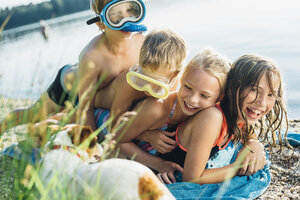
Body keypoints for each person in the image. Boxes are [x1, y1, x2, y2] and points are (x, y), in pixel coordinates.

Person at [113, 50, 267, 181]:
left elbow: (244, 126)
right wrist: (156, 156)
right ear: (181, 79)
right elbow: (117, 139)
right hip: (116, 127)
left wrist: (254, 142)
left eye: (204, 96)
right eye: (187, 87)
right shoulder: (158, 108)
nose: (193, 99)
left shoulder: (212, 111)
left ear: (219, 99)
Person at [0, 0, 147, 134]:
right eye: (115, 15)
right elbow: (86, 109)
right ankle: (3, 126)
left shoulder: (142, 42)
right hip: (69, 87)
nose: (127, 19)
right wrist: (92, 145)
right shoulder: (93, 56)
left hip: (98, 94)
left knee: (66, 118)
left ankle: (45, 128)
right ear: (101, 23)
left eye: (131, 10)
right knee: (34, 114)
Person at [155, 54, 287, 184]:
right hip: (158, 167)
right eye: (254, 90)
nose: (262, 103)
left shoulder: (240, 115)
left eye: (271, 94)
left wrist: (254, 143)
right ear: (233, 88)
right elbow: (191, 178)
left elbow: (248, 129)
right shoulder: (212, 117)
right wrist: (237, 167)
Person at [92, 29, 187, 140]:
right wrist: (147, 136)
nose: (147, 88)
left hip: (132, 114)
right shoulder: (128, 83)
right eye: (144, 79)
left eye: (156, 84)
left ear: (175, 75)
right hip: (104, 111)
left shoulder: (174, 79)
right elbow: (114, 127)